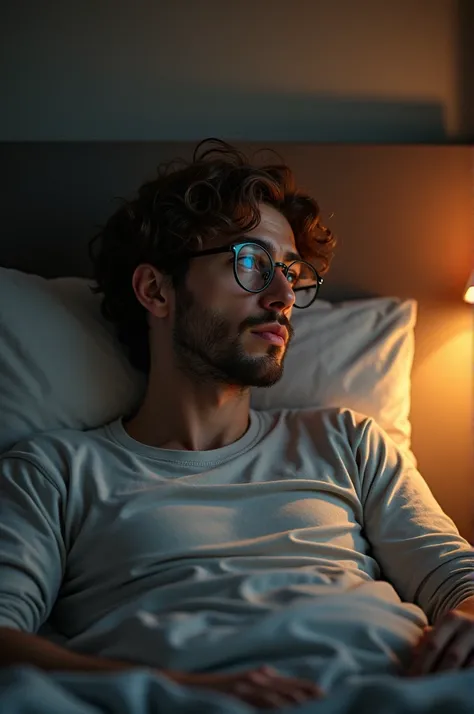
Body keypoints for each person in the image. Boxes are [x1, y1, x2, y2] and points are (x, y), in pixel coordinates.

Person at [1, 139, 474, 712]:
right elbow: (6, 641)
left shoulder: (349, 441)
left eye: (292, 274)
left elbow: (458, 581)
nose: (283, 298)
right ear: (156, 289)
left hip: (399, 691)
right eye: (250, 263)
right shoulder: (55, 472)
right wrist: (178, 690)